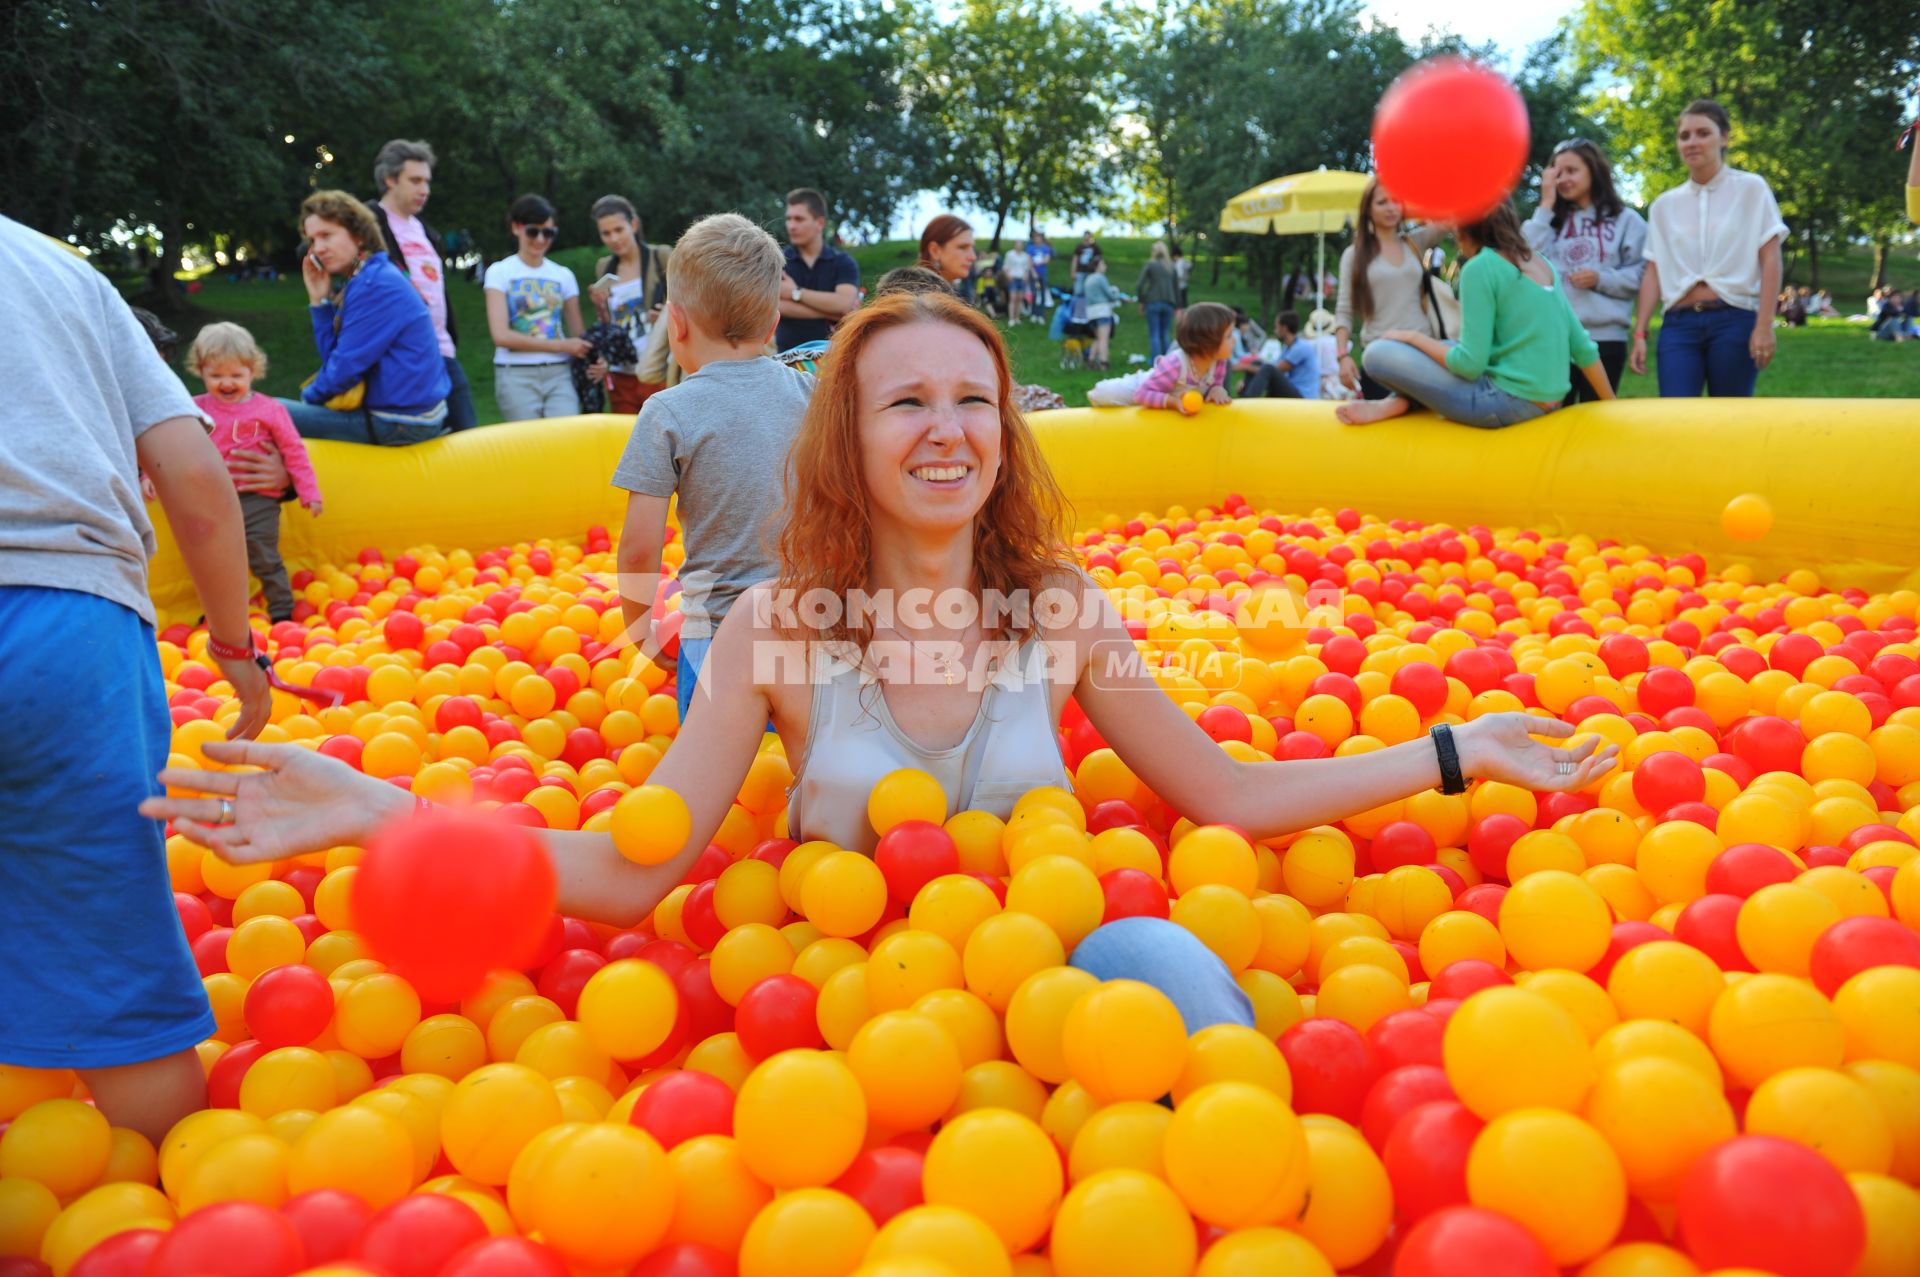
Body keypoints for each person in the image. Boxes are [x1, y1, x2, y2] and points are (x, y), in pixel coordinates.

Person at [146, 290, 1615, 1040]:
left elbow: (1224, 793)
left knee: (1172, 973)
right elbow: (624, 868)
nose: (945, 430)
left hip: (1050, 1029)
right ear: (844, 435)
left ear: (1006, 429)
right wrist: (370, 807)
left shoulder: (1058, 606)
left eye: (973, 399)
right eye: (903, 399)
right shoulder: (774, 626)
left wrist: (1455, 750)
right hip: (817, 1043)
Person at [1, 215, 270, 1145]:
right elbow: (194, 475)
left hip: (67, 619)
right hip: (68, 628)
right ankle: (177, 1190)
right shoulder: (57, 273)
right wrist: (235, 650)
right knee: (115, 968)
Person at [612, 214, 815, 724]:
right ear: (772, 325)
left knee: (720, 785)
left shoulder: (667, 412)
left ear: (675, 323)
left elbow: (640, 546)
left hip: (716, 636)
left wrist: (640, 629)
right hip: (812, 630)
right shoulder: (810, 395)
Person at [1338, 202, 1614, 429]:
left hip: (1506, 403)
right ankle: (1400, 402)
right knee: (1446, 346)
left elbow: (1470, 364)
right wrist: (1613, 406)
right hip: (1550, 399)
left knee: (1377, 353)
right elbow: (1583, 347)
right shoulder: (1540, 261)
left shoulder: (1480, 267)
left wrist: (1411, 337)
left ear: (1463, 232)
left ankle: (1401, 402)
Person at [1629, 99, 1786, 398]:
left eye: (1703, 133)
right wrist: (1641, 332)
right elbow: (1654, 270)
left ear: (1724, 137)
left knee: (1729, 419)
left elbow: (1770, 258)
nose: (1692, 142)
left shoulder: (1752, 189)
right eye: (1684, 135)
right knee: (1676, 417)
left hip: (1734, 320)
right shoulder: (1663, 206)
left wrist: (1764, 325)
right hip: (1678, 325)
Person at [281, 191, 452, 445]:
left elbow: (342, 370)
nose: (318, 249)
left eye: (326, 235)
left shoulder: (375, 285)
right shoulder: (368, 277)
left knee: (266, 412)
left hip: (402, 423)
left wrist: (307, 399)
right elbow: (335, 360)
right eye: (312, 240)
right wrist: (319, 301)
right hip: (405, 416)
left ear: (359, 235)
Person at [187, 324, 323, 622]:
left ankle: (281, 611)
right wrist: (149, 478)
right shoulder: (195, 410)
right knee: (215, 561)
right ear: (200, 371)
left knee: (264, 555)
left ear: (253, 370)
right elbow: (174, 446)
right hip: (213, 501)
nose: (226, 383)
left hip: (258, 500)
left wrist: (308, 491)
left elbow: (294, 451)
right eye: (216, 375)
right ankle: (218, 616)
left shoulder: (269, 410)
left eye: (236, 375)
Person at [1523, 138, 1647, 406]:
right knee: (1553, 422)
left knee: (1597, 419)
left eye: (1572, 170)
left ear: (1594, 170)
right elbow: (1521, 258)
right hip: (1554, 339)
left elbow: (1641, 275)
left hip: (1606, 339)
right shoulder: (1547, 222)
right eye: (1557, 172)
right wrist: (1545, 204)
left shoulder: (1627, 220)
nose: (1564, 179)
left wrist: (1601, 279)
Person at [368, 139, 477, 433]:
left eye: (427, 181)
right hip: (401, 353)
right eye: (415, 181)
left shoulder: (428, 232)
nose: (424, 190)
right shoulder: (366, 222)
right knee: (416, 436)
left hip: (441, 347)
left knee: (467, 433)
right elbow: (314, 250)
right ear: (390, 179)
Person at [1334, 180, 1452, 399]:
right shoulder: (1354, 255)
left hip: (1423, 351)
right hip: (1381, 357)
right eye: (1382, 202)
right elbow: (1344, 310)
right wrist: (1343, 356)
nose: (1390, 208)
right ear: (1367, 209)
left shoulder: (1414, 242)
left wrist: (1410, 207)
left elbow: (1450, 217)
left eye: (1396, 201)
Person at [484, 194, 591, 421]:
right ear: (516, 228)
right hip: (515, 374)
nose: (541, 239)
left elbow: (578, 335)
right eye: (533, 231)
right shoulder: (499, 272)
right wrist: (562, 345)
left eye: (548, 233)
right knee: (526, 449)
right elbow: (501, 336)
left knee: (565, 442)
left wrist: (592, 354)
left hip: (560, 373)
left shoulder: (563, 275)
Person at [587, 195, 673, 415]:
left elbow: (687, 303)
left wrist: (665, 316)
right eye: (606, 233)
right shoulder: (604, 266)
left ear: (633, 225)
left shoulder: (661, 256)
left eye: (619, 229)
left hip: (656, 367)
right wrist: (600, 306)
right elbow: (608, 324)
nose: (613, 238)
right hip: (620, 372)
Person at [1088, 302, 1236, 413]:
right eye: (1229, 336)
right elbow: (1141, 394)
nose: (1234, 340)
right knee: (1103, 393)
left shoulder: (1219, 362)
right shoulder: (1176, 364)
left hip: (1165, 391)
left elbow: (1216, 382)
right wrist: (1172, 402)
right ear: (1207, 344)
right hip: (1144, 387)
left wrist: (1217, 389)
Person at [775, 188, 860, 352]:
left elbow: (843, 303)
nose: (791, 226)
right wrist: (831, 312)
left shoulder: (843, 262)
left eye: (799, 219)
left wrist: (795, 293)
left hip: (834, 358)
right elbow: (775, 307)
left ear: (820, 223)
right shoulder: (777, 261)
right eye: (789, 219)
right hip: (788, 360)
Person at [1240, 311, 1318, 400]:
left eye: (1276, 327)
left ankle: (1249, 401)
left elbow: (1276, 369)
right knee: (1257, 363)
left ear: (1284, 328)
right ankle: (1246, 395)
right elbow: (1273, 365)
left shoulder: (1301, 347)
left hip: (1302, 396)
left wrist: (1244, 367)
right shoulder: (1288, 346)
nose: (1275, 330)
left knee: (1266, 368)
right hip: (1291, 388)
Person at [1135, 242, 1180, 360]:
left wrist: (1142, 300)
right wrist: (1177, 305)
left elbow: (1139, 285)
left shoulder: (1150, 265)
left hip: (1153, 302)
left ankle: (1155, 362)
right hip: (1169, 303)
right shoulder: (1171, 266)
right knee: (1165, 333)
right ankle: (1168, 361)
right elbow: (1176, 287)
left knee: (1154, 334)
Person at [1080, 259, 1123, 370]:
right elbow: (1109, 295)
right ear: (1097, 266)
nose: (1105, 266)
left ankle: (1091, 360)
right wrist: (1120, 297)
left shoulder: (1088, 279)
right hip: (1102, 311)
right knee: (1104, 338)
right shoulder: (1100, 278)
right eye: (1103, 264)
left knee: (1097, 338)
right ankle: (1104, 363)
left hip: (1091, 312)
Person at [917, 215, 977, 291]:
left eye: (972, 248)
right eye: (962, 247)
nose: (973, 257)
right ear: (935, 251)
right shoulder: (917, 300)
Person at [1001, 238, 1032, 325]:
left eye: (1021, 244)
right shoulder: (1010, 254)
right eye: (1017, 244)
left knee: (1020, 299)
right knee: (1013, 298)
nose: (1019, 246)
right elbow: (1005, 266)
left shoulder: (1025, 256)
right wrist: (1008, 275)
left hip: (1021, 278)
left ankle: (1017, 317)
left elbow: (1027, 268)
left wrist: (1026, 276)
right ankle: (1011, 318)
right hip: (1013, 278)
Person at [1028, 230, 1054, 313]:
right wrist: (1033, 271)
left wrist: (1037, 262)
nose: (1037, 239)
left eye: (1038, 237)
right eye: (1035, 237)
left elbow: (1047, 259)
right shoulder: (1031, 248)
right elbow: (1029, 261)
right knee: (1034, 293)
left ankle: (1041, 313)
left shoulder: (1045, 248)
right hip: (1033, 274)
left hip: (1043, 273)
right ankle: (1034, 312)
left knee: (1043, 293)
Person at [1170, 243, 1192, 315]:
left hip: (1179, 285)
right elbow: (1190, 265)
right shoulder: (1184, 262)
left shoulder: (1179, 263)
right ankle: (1185, 313)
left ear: (1175, 255)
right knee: (1184, 301)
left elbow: (1179, 275)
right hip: (1184, 285)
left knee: (1180, 301)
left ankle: (1181, 314)